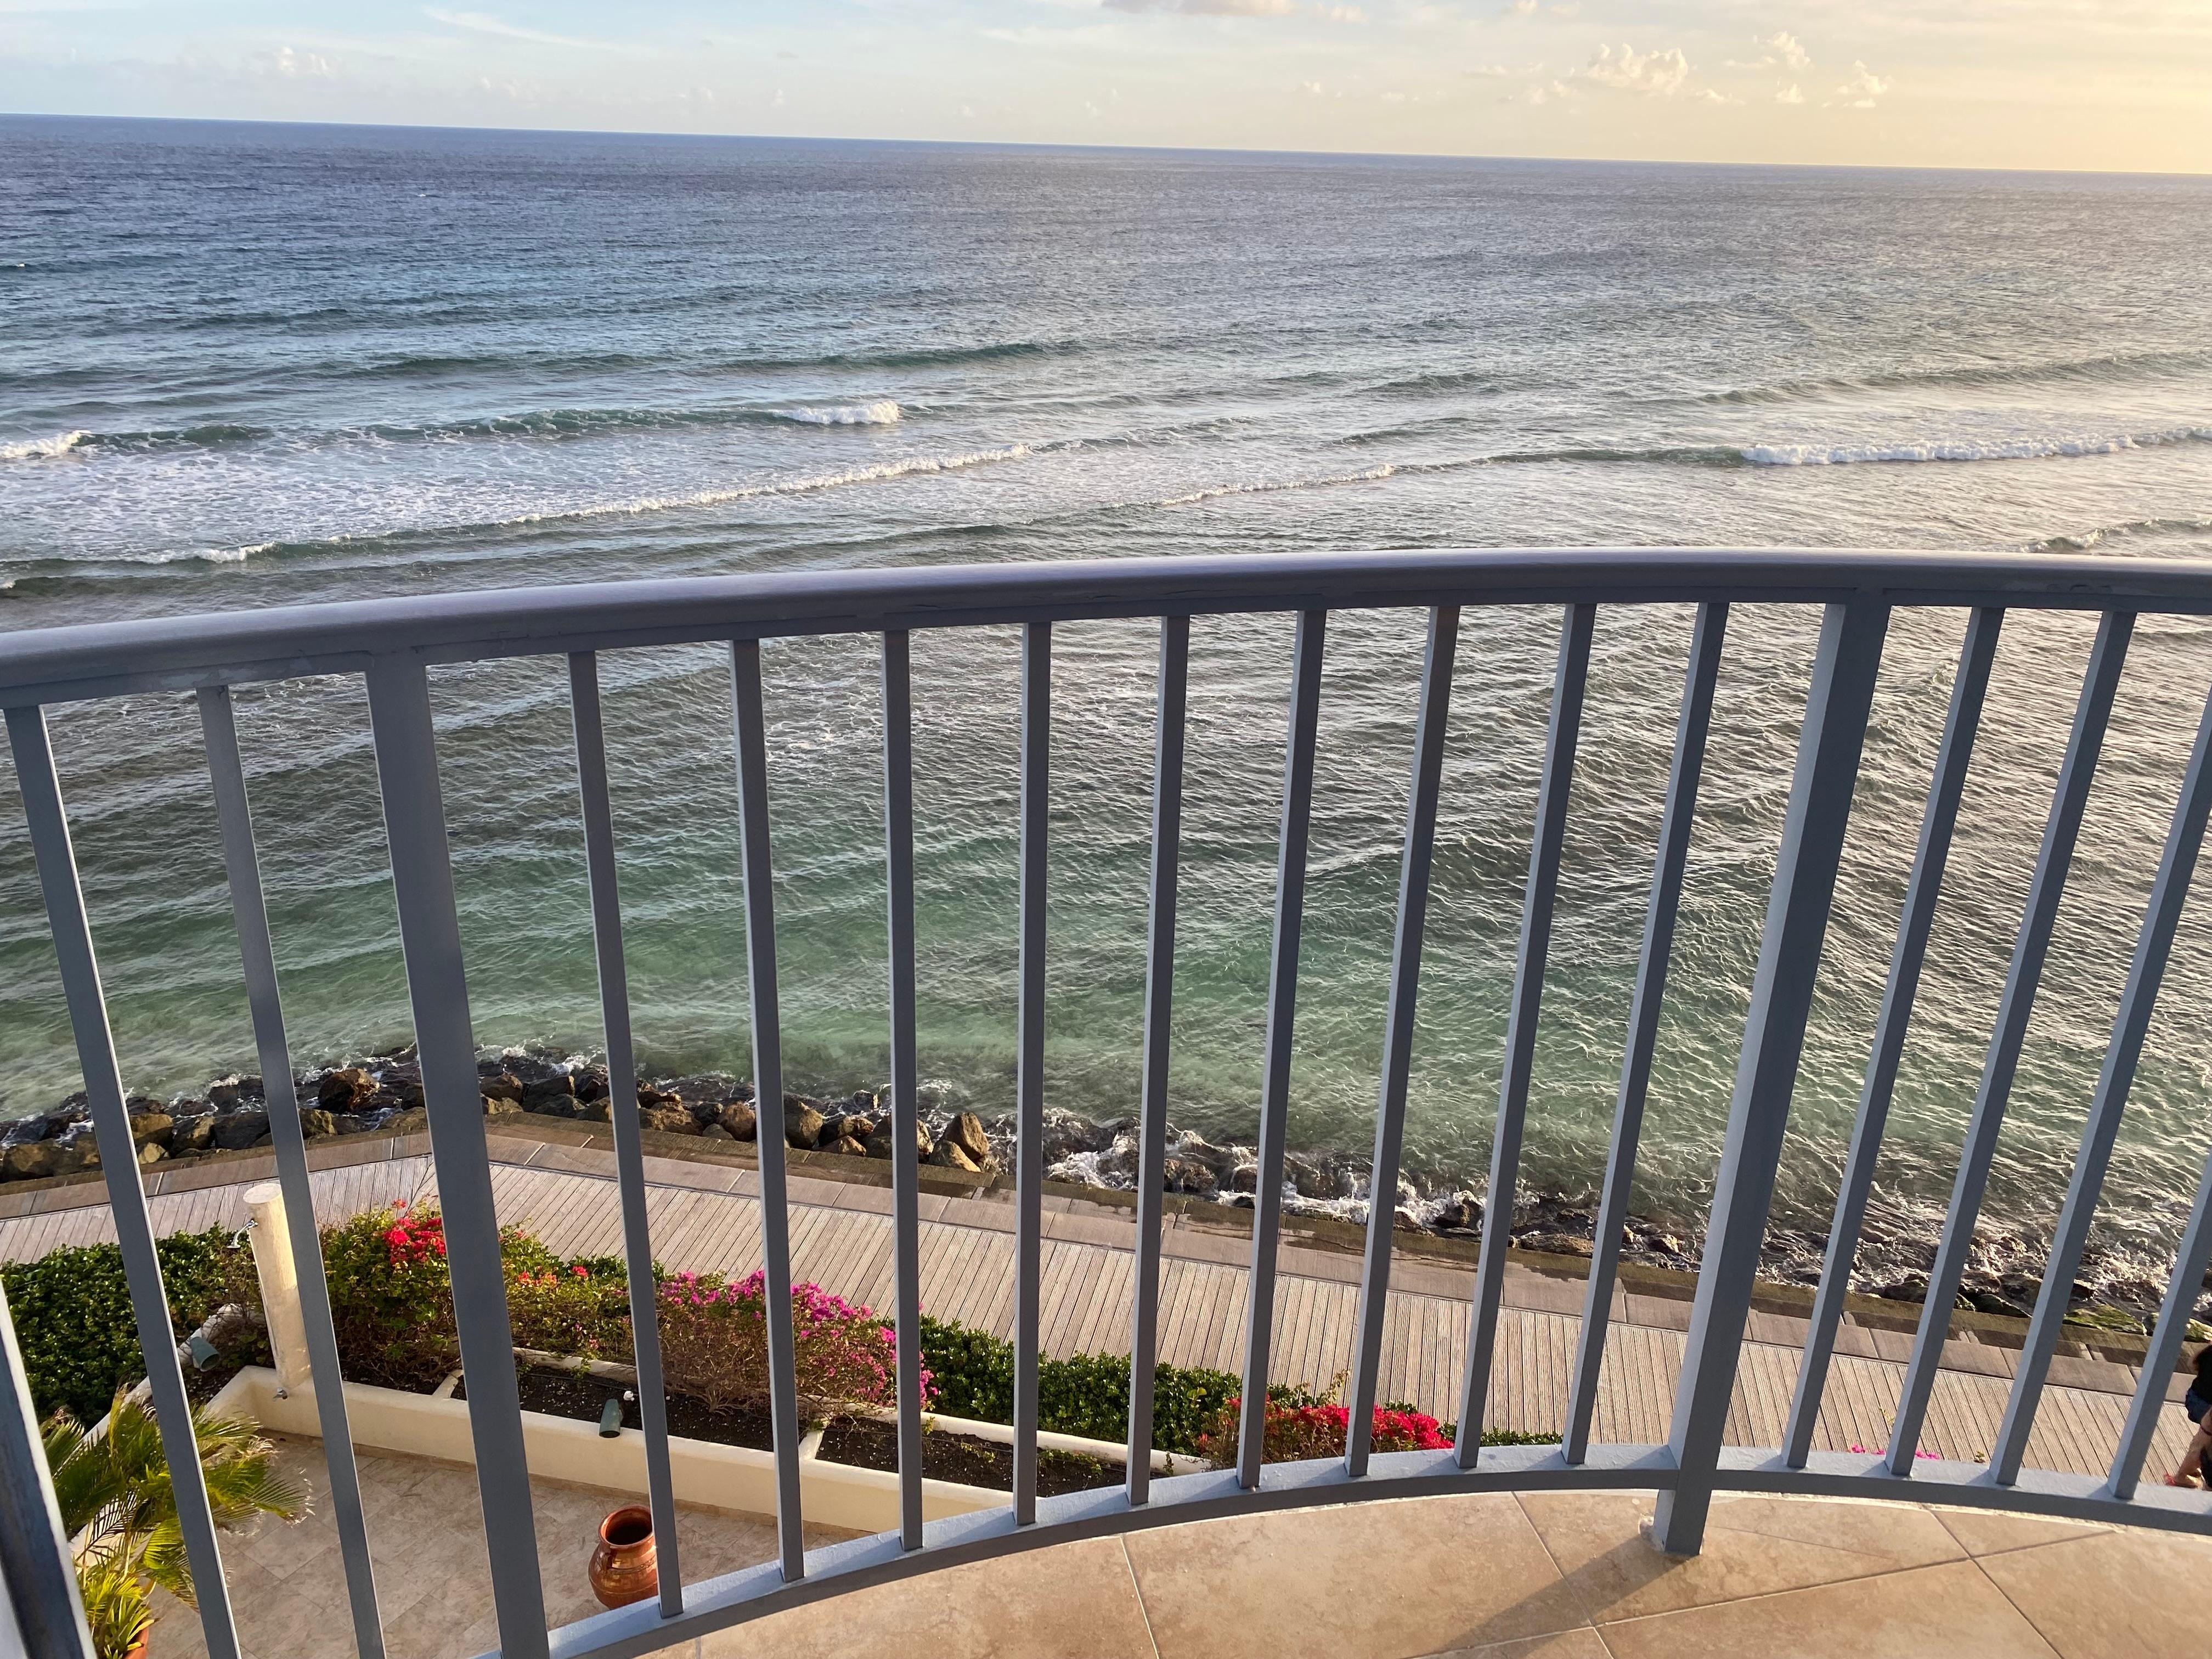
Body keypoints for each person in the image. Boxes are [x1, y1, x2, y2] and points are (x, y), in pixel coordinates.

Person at [2166, 1343, 2212, 1487]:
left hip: (2194, 1397)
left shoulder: (2208, 1350)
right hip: (2205, 1406)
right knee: (2204, 1443)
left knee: (2204, 1438)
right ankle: (2183, 1476)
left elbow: (2194, 1364)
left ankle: (2191, 1470)